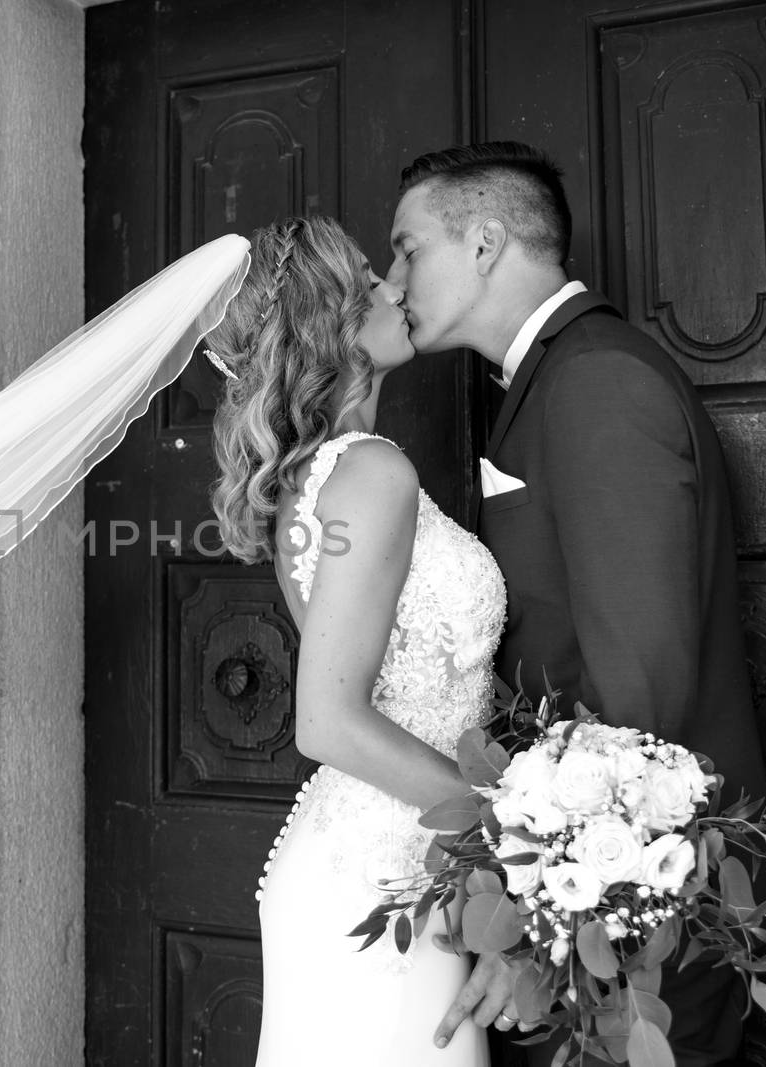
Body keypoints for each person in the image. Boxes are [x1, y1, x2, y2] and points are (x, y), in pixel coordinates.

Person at [384, 141, 766, 1066]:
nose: (392, 278)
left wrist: (539, 931)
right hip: (606, 908)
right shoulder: (552, 378)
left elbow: (641, 691)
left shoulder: (596, 378)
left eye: (407, 248)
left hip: (648, 916)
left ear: (484, 243)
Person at [205, 215, 504, 1066]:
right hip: (388, 881)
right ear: (325, 318)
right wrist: (505, 832)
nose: (396, 287)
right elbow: (328, 721)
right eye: (372, 278)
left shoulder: (318, 474)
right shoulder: (370, 471)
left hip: (380, 864)